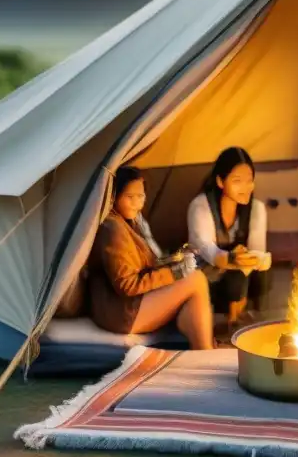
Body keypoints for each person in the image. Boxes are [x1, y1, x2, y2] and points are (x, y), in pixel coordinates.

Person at [88, 166, 214, 348]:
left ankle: (199, 341)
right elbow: (127, 285)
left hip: (131, 303)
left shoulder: (130, 222)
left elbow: (145, 264)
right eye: (129, 197)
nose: (136, 203)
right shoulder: (112, 228)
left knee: (195, 280)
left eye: (140, 196)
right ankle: (205, 350)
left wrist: (174, 262)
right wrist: (175, 274)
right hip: (120, 312)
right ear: (114, 196)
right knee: (196, 279)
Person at [187, 147, 272, 327]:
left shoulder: (256, 208)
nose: (246, 188)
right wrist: (233, 259)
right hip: (206, 275)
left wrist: (250, 259)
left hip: (239, 275)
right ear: (220, 181)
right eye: (237, 181)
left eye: (250, 181)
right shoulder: (201, 207)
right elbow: (207, 250)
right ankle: (223, 322)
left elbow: (259, 251)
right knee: (235, 270)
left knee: (259, 269)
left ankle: (245, 316)